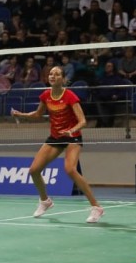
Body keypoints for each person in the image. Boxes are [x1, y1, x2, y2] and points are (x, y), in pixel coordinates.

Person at [11, 66, 104, 223]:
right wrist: (21, 114)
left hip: (72, 136)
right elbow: (38, 114)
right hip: (55, 137)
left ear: (63, 79)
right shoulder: (46, 95)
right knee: (34, 170)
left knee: (70, 169)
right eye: (51, 74)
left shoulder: (70, 96)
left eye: (57, 74)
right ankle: (45, 201)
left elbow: (83, 121)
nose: (52, 76)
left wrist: (71, 130)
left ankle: (96, 207)